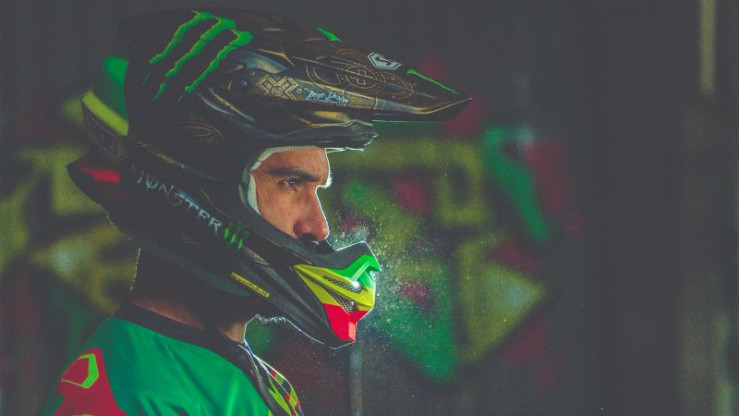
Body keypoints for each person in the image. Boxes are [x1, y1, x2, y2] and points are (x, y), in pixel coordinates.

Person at [41, 8, 468, 415]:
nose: (318, 226)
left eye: (316, 190)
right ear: (198, 183)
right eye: (290, 183)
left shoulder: (247, 376)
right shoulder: (135, 395)